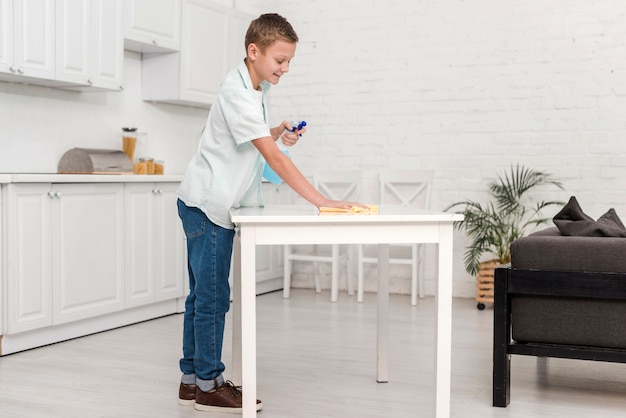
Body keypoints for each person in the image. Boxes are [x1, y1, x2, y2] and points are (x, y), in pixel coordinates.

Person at [176, 13, 365, 413]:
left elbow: (247, 143)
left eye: (289, 62)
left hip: (203, 203)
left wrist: (276, 131)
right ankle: (210, 387)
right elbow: (272, 159)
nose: (285, 68)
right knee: (212, 298)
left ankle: (191, 381)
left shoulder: (254, 89)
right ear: (253, 51)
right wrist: (321, 199)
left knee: (201, 297)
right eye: (280, 60)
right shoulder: (239, 92)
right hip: (208, 206)